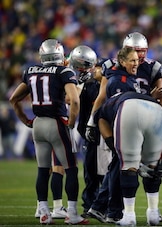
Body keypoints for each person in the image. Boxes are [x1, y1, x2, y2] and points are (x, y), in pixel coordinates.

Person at [86, 32, 162, 223]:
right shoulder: (113, 70)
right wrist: (91, 121)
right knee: (122, 164)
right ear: (123, 57)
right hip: (121, 118)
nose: (138, 58)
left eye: (141, 52)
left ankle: (103, 208)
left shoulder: (152, 68)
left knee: (123, 164)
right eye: (134, 54)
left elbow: (161, 95)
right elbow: (105, 96)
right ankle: (113, 211)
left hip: (145, 118)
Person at [9, 38, 89, 225]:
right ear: (60, 54)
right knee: (70, 169)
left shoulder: (30, 71)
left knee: (43, 170)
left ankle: (44, 212)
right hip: (56, 123)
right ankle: (72, 213)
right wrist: (71, 122)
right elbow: (74, 100)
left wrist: (26, 120)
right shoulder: (64, 71)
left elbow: (14, 99)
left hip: (38, 125)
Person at [68, 45, 110, 217]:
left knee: (104, 172)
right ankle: (89, 205)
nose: (97, 70)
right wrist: (79, 83)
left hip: (105, 133)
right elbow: (70, 99)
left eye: (100, 68)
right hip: (89, 132)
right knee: (91, 172)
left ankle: (103, 205)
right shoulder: (87, 84)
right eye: (97, 67)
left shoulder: (106, 86)